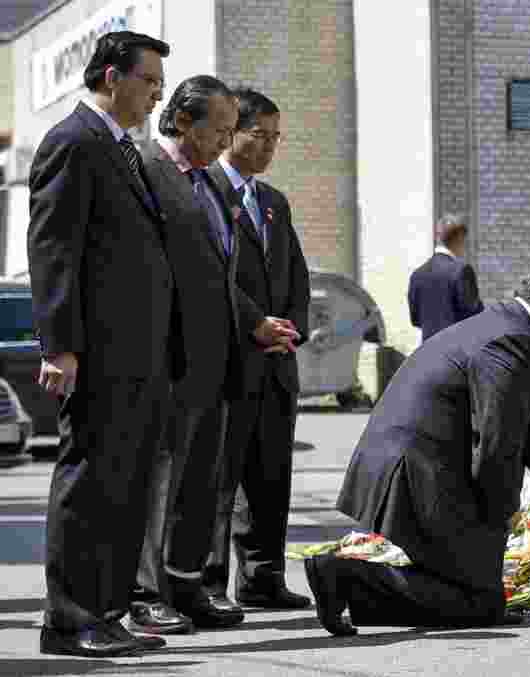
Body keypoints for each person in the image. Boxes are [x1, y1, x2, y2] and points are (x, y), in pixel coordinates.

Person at [306, 245, 530, 635]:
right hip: (414, 471)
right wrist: (500, 517)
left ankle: (345, 580)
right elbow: (496, 443)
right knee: (477, 602)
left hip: (413, 462)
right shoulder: (513, 340)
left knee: (470, 590)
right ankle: (342, 577)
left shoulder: (507, 326)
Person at [28, 31, 179, 657]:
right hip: (96, 353)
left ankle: (107, 610)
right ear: (112, 77)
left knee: (124, 487)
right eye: (148, 82)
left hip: (136, 356)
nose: (155, 96)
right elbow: (53, 249)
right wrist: (59, 345)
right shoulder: (73, 142)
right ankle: (70, 619)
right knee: (90, 483)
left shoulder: (121, 149)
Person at [130, 75, 298, 634]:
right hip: (169, 356)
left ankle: (187, 583)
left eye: (231, 129)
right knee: (161, 482)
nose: (224, 141)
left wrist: (253, 324)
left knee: (200, 484)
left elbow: (222, 277)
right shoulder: (149, 172)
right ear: (183, 120)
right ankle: (144, 592)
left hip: (215, 361)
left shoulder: (213, 187)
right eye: (220, 130)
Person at [203, 88, 312, 610]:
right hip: (229, 360)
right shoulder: (204, 193)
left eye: (275, 138)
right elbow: (208, 278)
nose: (269, 147)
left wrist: (291, 331)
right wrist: (254, 325)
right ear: (231, 132)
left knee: (270, 478)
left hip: (276, 364)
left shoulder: (274, 203)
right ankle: (208, 583)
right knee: (220, 479)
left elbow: (295, 277)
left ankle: (263, 576)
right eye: (258, 135)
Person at [407, 213, 484, 342]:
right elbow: (474, 315)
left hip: (427, 351)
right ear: (460, 239)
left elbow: (415, 320)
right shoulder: (461, 271)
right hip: (457, 352)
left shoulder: (417, 274)